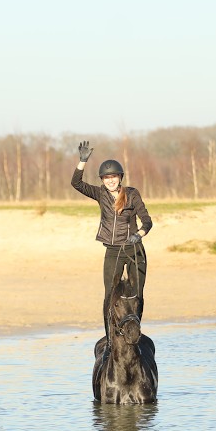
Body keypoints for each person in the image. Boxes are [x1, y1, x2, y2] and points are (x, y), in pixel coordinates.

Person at [72, 141, 153, 338]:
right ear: (102, 180)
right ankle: (110, 337)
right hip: (113, 251)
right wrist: (82, 161)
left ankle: (135, 333)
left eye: (114, 177)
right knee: (110, 295)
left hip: (134, 250)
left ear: (120, 177)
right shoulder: (100, 194)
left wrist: (139, 234)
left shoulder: (132, 194)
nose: (110, 181)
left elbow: (147, 221)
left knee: (137, 294)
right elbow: (76, 183)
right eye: (107, 178)